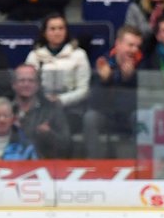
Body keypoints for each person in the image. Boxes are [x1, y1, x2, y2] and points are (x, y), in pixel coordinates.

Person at [84, 25, 144, 159]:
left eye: (137, 46)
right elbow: (93, 102)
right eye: (130, 45)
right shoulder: (103, 62)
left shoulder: (143, 64)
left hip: (130, 115)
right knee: (90, 118)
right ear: (118, 44)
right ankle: (94, 162)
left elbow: (143, 101)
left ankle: (140, 162)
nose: (135, 50)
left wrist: (128, 79)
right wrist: (104, 81)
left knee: (140, 117)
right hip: (107, 114)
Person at [23, 13, 91, 128]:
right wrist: (44, 101)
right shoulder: (34, 56)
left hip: (71, 111)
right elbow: (27, 85)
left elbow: (84, 90)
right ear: (45, 33)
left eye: (61, 28)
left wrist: (60, 100)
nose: (57, 32)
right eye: (52, 29)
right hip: (41, 109)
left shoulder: (79, 55)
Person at [12, 63, 70, 158]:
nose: (26, 84)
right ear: (14, 85)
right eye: (22, 80)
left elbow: (66, 146)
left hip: (44, 164)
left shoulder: (52, 109)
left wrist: (49, 134)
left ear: (38, 85)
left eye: (31, 81)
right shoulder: (5, 111)